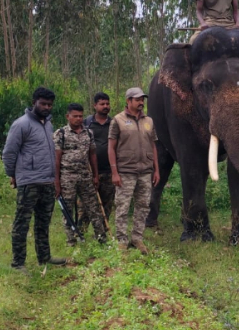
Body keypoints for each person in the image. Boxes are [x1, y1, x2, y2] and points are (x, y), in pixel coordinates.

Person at [2, 87, 66, 274]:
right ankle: (18, 263)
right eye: (43, 104)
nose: (46, 107)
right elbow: (9, 153)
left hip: (47, 181)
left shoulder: (48, 124)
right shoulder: (21, 124)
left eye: (49, 105)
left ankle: (44, 257)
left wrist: (54, 179)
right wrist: (13, 175)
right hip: (29, 182)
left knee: (43, 222)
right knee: (22, 222)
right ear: (34, 102)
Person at [108, 87, 160, 255]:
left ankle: (137, 238)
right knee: (122, 207)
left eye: (142, 99)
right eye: (137, 99)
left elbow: (153, 146)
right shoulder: (118, 120)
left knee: (143, 206)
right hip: (125, 172)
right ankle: (122, 240)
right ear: (128, 101)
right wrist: (114, 172)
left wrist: (156, 170)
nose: (141, 102)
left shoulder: (149, 121)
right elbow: (111, 147)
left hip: (145, 171)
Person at [54, 103, 107, 246]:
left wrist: (95, 176)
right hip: (67, 177)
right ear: (68, 116)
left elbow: (93, 155)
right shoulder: (61, 134)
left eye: (80, 116)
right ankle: (71, 240)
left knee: (93, 207)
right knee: (68, 209)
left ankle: (101, 236)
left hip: (85, 176)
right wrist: (56, 182)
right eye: (75, 116)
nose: (78, 119)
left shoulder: (88, 133)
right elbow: (57, 159)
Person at [80, 92, 115, 229]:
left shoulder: (113, 124)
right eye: (102, 104)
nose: (105, 106)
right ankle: (81, 231)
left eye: (107, 104)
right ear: (95, 106)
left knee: (106, 204)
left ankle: (102, 233)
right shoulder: (86, 123)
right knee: (86, 203)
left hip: (109, 171)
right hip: (89, 171)